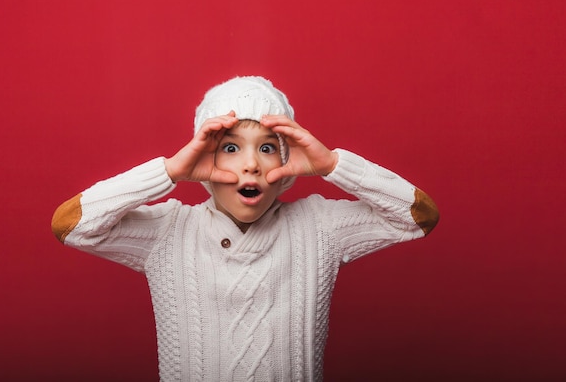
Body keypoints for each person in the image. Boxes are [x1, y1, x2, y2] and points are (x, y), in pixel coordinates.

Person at [51, 76, 439, 381]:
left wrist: (333, 165)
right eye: (231, 147)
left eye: (267, 147)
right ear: (205, 156)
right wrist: (169, 171)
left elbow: (418, 216)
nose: (251, 164)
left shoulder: (320, 227)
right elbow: (71, 225)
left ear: (287, 160)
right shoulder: (169, 232)